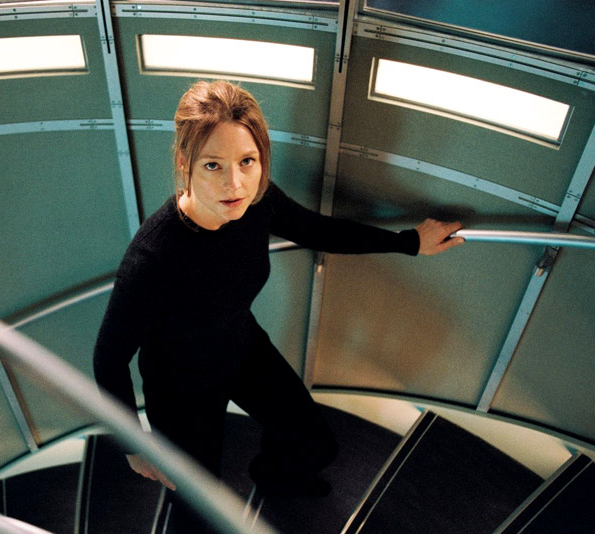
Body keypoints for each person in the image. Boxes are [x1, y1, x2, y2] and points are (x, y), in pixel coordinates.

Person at [93, 80, 463, 531]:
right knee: (196, 507)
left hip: (241, 349)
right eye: (213, 165)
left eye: (247, 161)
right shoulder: (153, 257)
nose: (235, 184)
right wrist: (133, 445)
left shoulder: (258, 200)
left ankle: (272, 479)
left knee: (315, 443)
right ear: (185, 163)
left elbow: (317, 230)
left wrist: (409, 242)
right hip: (180, 389)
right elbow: (109, 357)